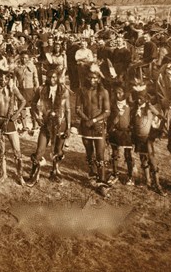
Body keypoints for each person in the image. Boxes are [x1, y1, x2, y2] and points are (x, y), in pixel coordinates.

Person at [26, 69, 71, 186]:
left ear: (58, 78)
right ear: (46, 77)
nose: (52, 80)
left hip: (61, 124)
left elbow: (68, 110)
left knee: (58, 150)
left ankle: (55, 172)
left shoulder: (64, 90)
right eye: (50, 77)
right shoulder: (41, 89)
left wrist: (69, 127)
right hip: (46, 124)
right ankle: (34, 176)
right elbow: (33, 104)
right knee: (39, 150)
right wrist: (37, 118)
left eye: (54, 77)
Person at [0, 70, 26, 185]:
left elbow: (23, 101)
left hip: (10, 122)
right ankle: (4, 173)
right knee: (1, 151)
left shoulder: (12, 89)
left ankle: (20, 175)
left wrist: (17, 113)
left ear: (8, 79)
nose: (3, 81)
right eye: (0, 79)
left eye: (5, 79)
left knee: (17, 151)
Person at [76, 65, 110, 196]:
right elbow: (77, 109)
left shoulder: (103, 92)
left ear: (99, 79)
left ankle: (102, 183)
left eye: (95, 78)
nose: (92, 80)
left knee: (100, 155)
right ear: (86, 78)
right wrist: (87, 120)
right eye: (90, 78)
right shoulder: (81, 91)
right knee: (89, 153)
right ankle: (93, 173)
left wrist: (94, 121)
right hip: (85, 126)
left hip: (98, 126)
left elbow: (107, 111)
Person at [130, 86, 166, 195]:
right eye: (138, 98)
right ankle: (148, 181)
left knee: (152, 160)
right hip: (138, 138)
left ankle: (157, 184)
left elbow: (161, 117)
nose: (139, 100)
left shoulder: (149, 107)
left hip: (148, 138)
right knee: (143, 159)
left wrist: (157, 130)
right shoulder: (135, 108)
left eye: (141, 98)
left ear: (146, 99)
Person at [107, 83, 135, 186]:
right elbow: (109, 118)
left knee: (128, 155)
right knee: (114, 154)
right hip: (115, 132)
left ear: (124, 93)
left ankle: (130, 176)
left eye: (120, 92)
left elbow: (133, 118)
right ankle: (114, 174)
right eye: (117, 92)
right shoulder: (112, 105)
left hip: (126, 132)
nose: (118, 94)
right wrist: (111, 127)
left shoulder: (129, 106)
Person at [15, 52, 40, 135]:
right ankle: (24, 126)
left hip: (30, 89)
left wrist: (37, 88)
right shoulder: (17, 68)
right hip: (21, 90)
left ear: (28, 58)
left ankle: (35, 125)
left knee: (33, 107)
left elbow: (36, 78)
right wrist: (15, 90)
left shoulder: (32, 67)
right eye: (22, 58)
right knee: (22, 108)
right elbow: (15, 79)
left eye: (25, 58)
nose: (23, 59)